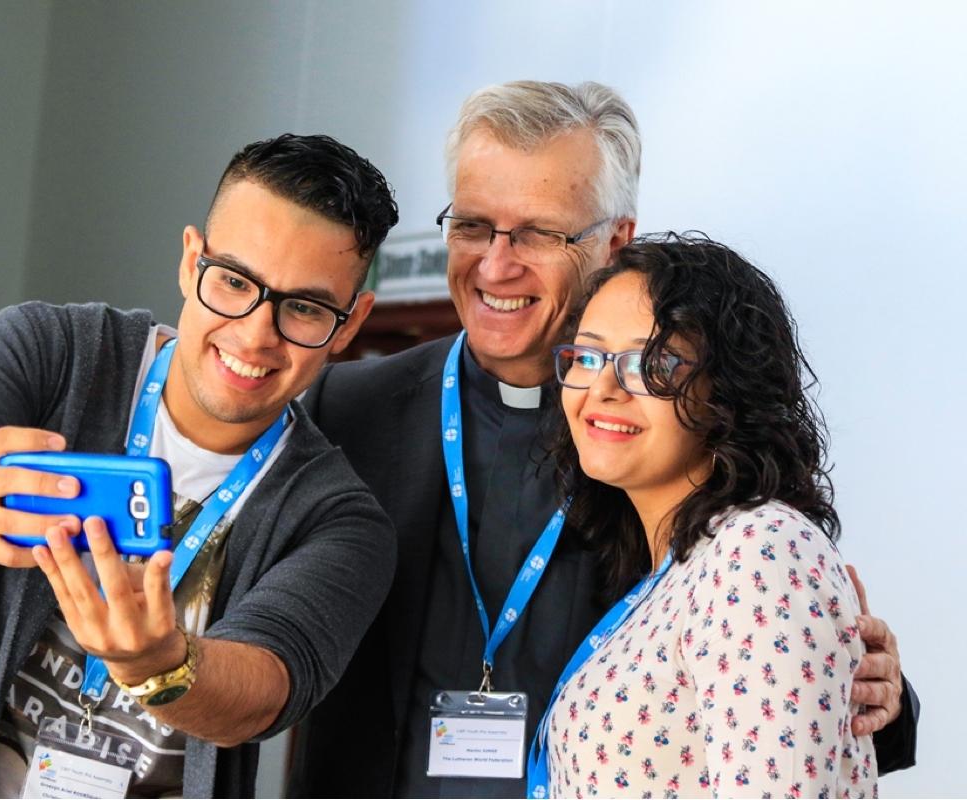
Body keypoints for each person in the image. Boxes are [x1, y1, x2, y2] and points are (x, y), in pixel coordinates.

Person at [289, 81, 915, 797]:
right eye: (472, 226)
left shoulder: (653, 433)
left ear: (616, 240)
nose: (495, 265)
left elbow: (777, 671)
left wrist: (881, 691)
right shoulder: (350, 404)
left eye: (537, 233)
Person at [0, 133, 400, 798]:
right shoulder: (46, 353)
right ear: (191, 260)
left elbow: (264, 689)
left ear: (349, 324)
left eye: (304, 308)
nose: (256, 333)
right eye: (233, 281)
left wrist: (160, 664)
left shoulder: (339, 520)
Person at [538, 233, 875, 797]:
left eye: (653, 363)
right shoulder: (672, 566)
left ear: (728, 390)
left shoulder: (760, 550)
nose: (602, 388)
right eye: (587, 355)